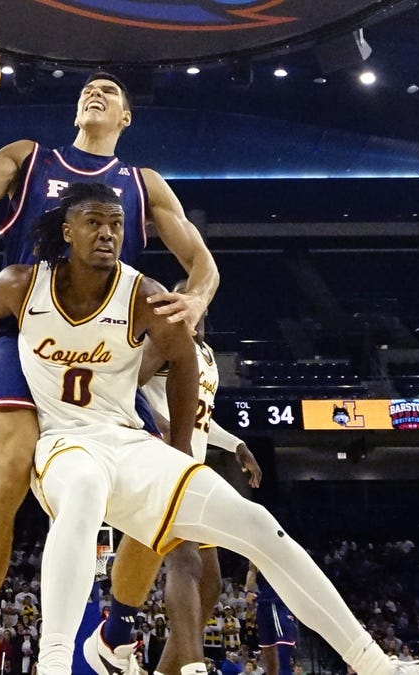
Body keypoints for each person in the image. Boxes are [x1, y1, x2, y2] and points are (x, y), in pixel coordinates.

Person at [0, 182, 419, 675]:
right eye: (94, 222)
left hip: (129, 443)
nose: (107, 233)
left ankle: (377, 666)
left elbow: (184, 360)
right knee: (80, 492)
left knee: (262, 528)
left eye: (117, 224)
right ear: (68, 229)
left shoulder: (142, 293)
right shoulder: (21, 284)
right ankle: (54, 663)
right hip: (65, 443)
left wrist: (182, 451)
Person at [0, 47, 220, 675]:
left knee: (159, 484)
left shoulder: (144, 183)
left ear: (127, 116)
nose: (94, 93)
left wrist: (195, 302)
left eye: (109, 90)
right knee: (11, 468)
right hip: (28, 339)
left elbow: (203, 264)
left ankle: (118, 627)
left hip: (106, 351)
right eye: (88, 88)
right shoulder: (30, 157)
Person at [88, 279, 263, 675]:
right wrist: (161, 425)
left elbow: (201, 415)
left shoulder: (206, 353)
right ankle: (191, 666)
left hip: (191, 469)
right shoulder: (164, 340)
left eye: (192, 299)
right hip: (159, 465)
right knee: (184, 562)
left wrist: (235, 444)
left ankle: (162, 665)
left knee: (212, 584)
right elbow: (124, 387)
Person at [243, 564, 296, 675]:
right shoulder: (256, 550)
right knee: (268, 654)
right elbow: (252, 570)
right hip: (263, 604)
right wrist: (249, 591)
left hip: (280, 603)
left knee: (283, 649)